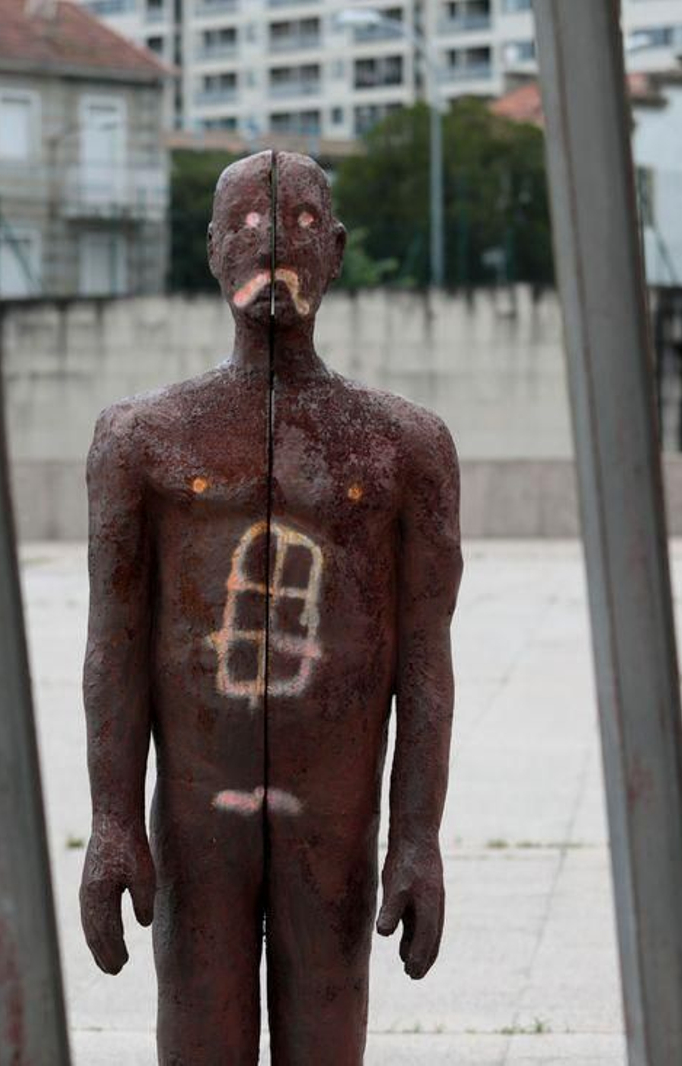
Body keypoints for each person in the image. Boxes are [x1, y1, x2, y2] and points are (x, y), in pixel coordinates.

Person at [81, 149, 462, 1065]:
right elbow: (116, 646)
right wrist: (111, 822)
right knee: (198, 1027)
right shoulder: (144, 443)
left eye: (295, 224)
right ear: (212, 249)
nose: (270, 243)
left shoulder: (401, 449)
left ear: (334, 249)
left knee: (328, 1026)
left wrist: (416, 838)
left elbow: (425, 658)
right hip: (196, 814)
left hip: (331, 818)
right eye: (247, 223)